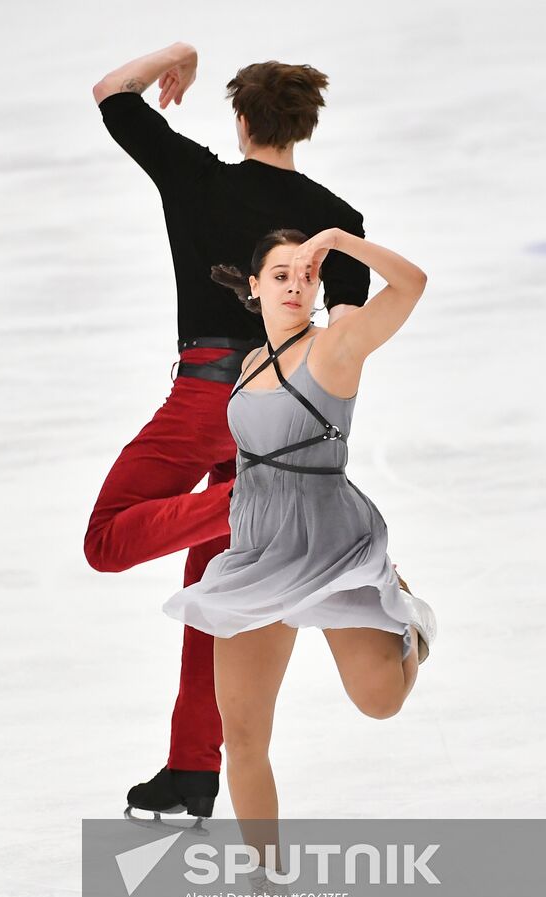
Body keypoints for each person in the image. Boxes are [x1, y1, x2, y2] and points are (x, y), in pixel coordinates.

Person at [84, 43, 372, 819]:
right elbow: (345, 337)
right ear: (302, 128)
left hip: (209, 400)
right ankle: (189, 769)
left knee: (107, 538)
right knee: (216, 594)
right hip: (289, 414)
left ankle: (250, 502)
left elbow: (113, 91)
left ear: (241, 120)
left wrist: (177, 56)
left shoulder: (197, 176)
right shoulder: (338, 222)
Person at [160, 225, 437, 897]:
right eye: (278, 274)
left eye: (305, 275)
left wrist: (344, 241)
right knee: (241, 736)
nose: (293, 285)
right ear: (252, 287)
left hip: (328, 546)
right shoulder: (251, 361)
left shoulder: (336, 346)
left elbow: (409, 285)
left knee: (380, 702)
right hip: (256, 552)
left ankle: (403, 614)